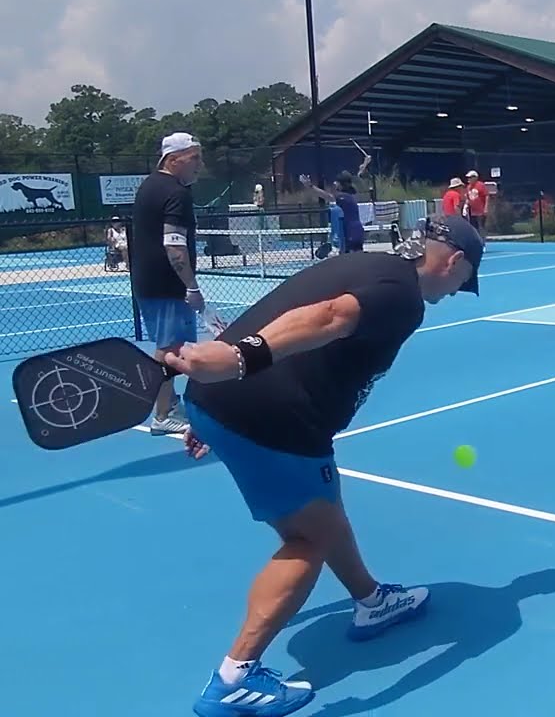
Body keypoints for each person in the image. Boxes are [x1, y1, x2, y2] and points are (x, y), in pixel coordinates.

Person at [168, 214, 484, 717]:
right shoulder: (402, 296)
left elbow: (282, 310)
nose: (456, 292)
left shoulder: (367, 264)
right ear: (455, 261)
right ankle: (234, 677)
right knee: (309, 539)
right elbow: (329, 317)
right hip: (271, 419)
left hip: (221, 402)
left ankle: (371, 601)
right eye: (464, 281)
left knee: (324, 510)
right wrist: (239, 360)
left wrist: (218, 403)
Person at [130, 131, 206, 435]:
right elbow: (175, 246)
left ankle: (170, 403)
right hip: (166, 284)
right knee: (169, 349)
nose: (200, 164)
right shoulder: (177, 192)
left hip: (149, 281)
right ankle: (162, 415)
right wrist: (192, 286)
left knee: (169, 345)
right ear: (174, 160)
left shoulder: (149, 186)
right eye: (195, 158)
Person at [464, 169, 489, 235]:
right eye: (468, 177)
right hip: (472, 211)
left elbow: (486, 196)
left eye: (470, 177)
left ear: (475, 178)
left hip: (480, 211)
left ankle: (482, 238)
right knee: (473, 227)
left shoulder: (481, 185)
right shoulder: (468, 187)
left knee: (481, 226)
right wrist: (466, 206)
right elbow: (467, 197)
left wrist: (486, 208)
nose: (468, 179)